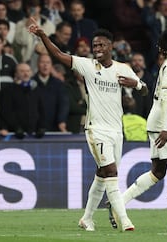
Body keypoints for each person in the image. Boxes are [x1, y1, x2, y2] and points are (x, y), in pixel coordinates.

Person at [28, 19, 148, 231]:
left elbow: (145, 90)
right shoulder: (88, 66)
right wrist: (43, 35)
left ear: (111, 46)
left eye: (101, 45)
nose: (97, 49)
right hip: (96, 130)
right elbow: (58, 55)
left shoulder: (123, 69)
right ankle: (125, 221)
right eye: (95, 46)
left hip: (116, 132)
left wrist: (136, 84)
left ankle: (87, 218)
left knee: (103, 175)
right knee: (111, 172)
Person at [111, 26, 167, 229]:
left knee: (158, 172)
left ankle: (119, 204)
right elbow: (166, 96)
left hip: (164, 121)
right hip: (166, 123)